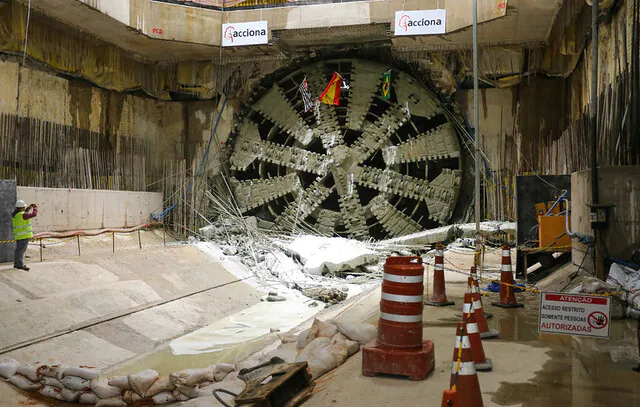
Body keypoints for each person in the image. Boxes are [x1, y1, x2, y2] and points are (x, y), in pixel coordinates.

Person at [12, 200, 37, 271]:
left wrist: (29, 208)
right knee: (21, 250)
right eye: (23, 207)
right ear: (21, 208)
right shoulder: (22, 215)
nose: (24, 208)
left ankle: (17, 263)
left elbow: (24, 213)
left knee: (18, 250)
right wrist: (35, 208)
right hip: (24, 236)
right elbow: (34, 214)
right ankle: (20, 264)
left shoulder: (16, 214)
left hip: (19, 236)